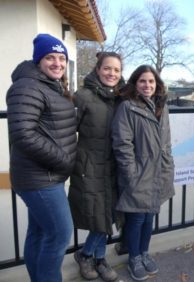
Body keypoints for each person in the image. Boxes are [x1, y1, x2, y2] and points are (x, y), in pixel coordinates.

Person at [6, 33, 77, 281]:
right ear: (39, 61)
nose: (57, 63)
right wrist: (64, 160)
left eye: (61, 58)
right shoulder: (27, 86)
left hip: (44, 175)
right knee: (59, 233)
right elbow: (23, 134)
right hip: (40, 178)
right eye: (50, 57)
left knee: (38, 233)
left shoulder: (49, 86)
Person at [111, 65, 175, 281]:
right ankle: (134, 257)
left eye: (151, 82)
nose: (147, 85)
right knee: (136, 218)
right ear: (135, 84)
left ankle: (145, 252)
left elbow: (166, 142)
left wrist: (168, 167)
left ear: (157, 84)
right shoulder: (127, 107)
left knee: (149, 217)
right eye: (142, 81)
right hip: (139, 173)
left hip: (159, 171)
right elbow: (122, 144)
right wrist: (131, 174)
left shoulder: (161, 106)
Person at [68, 52, 125, 281]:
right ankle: (94, 257)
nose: (112, 73)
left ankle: (90, 254)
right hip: (89, 166)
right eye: (107, 68)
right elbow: (67, 131)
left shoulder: (122, 98)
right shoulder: (82, 96)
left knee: (109, 214)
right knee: (99, 216)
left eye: (117, 70)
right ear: (98, 69)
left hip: (114, 166)